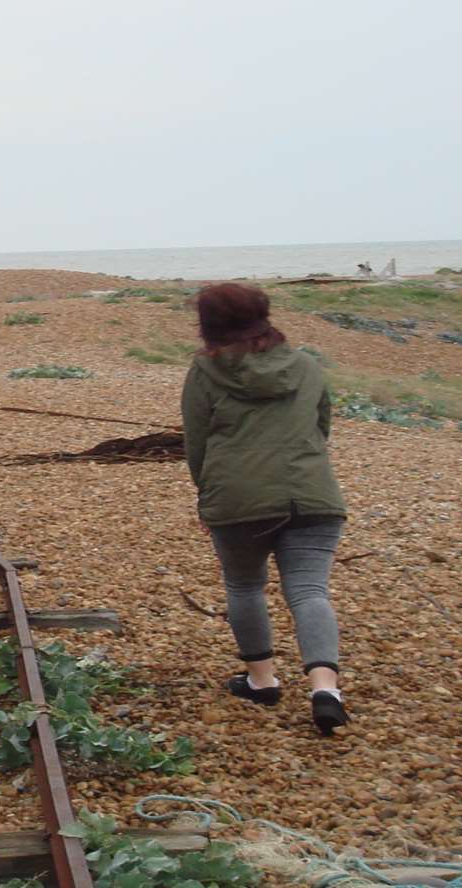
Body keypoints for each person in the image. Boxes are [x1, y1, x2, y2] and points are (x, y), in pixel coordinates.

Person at [180, 283, 350, 736]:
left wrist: (208, 496)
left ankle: (262, 680)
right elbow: (322, 427)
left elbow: (196, 444)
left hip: (238, 498)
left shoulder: (203, 372)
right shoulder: (306, 366)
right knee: (310, 589)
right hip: (313, 494)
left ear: (209, 326)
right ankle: (325, 689)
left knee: (245, 586)